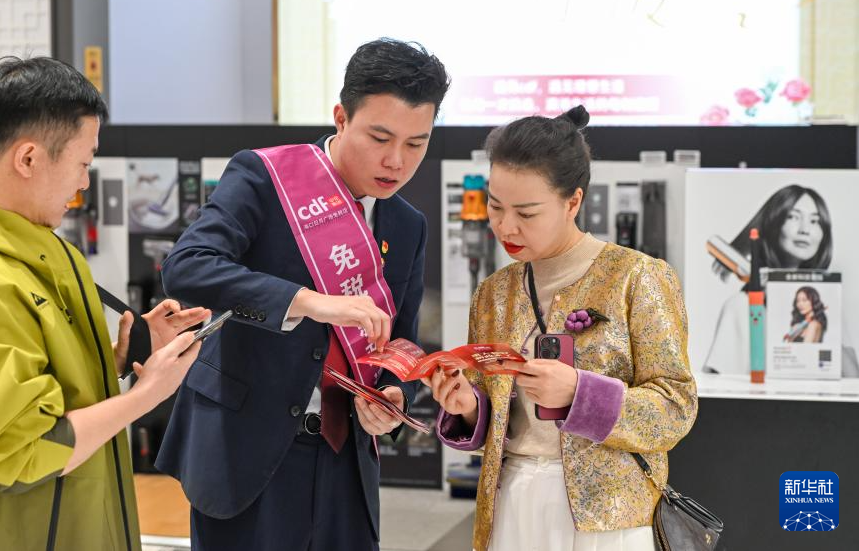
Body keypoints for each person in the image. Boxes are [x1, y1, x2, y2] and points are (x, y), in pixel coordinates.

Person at [0, 57, 210, 551]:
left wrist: (118, 360)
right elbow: (22, 451)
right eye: (83, 164)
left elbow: (39, 390)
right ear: (28, 159)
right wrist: (147, 396)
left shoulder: (44, 250)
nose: (84, 184)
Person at [154, 38, 450, 550]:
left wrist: (396, 395)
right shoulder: (266, 177)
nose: (396, 161)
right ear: (341, 117)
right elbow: (187, 266)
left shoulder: (407, 224)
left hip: (345, 461)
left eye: (416, 144)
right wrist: (307, 300)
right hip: (246, 451)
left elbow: (401, 341)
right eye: (380, 137)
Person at [427, 106, 697, 551]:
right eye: (495, 206)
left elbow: (675, 408)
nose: (505, 226)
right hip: (510, 501)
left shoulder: (636, 277)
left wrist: (579, 393)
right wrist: (467, 407)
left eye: (526, 213)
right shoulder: (493, 294)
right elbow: (495, 418)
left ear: (573, 202)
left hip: (607, 515)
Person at [700, 185, 859, 374]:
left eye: (814, 221)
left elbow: (852, 380)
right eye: (793, 217)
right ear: (774, 223)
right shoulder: (741, 307)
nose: (805, 230)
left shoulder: (827, 304)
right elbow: (716, 382)